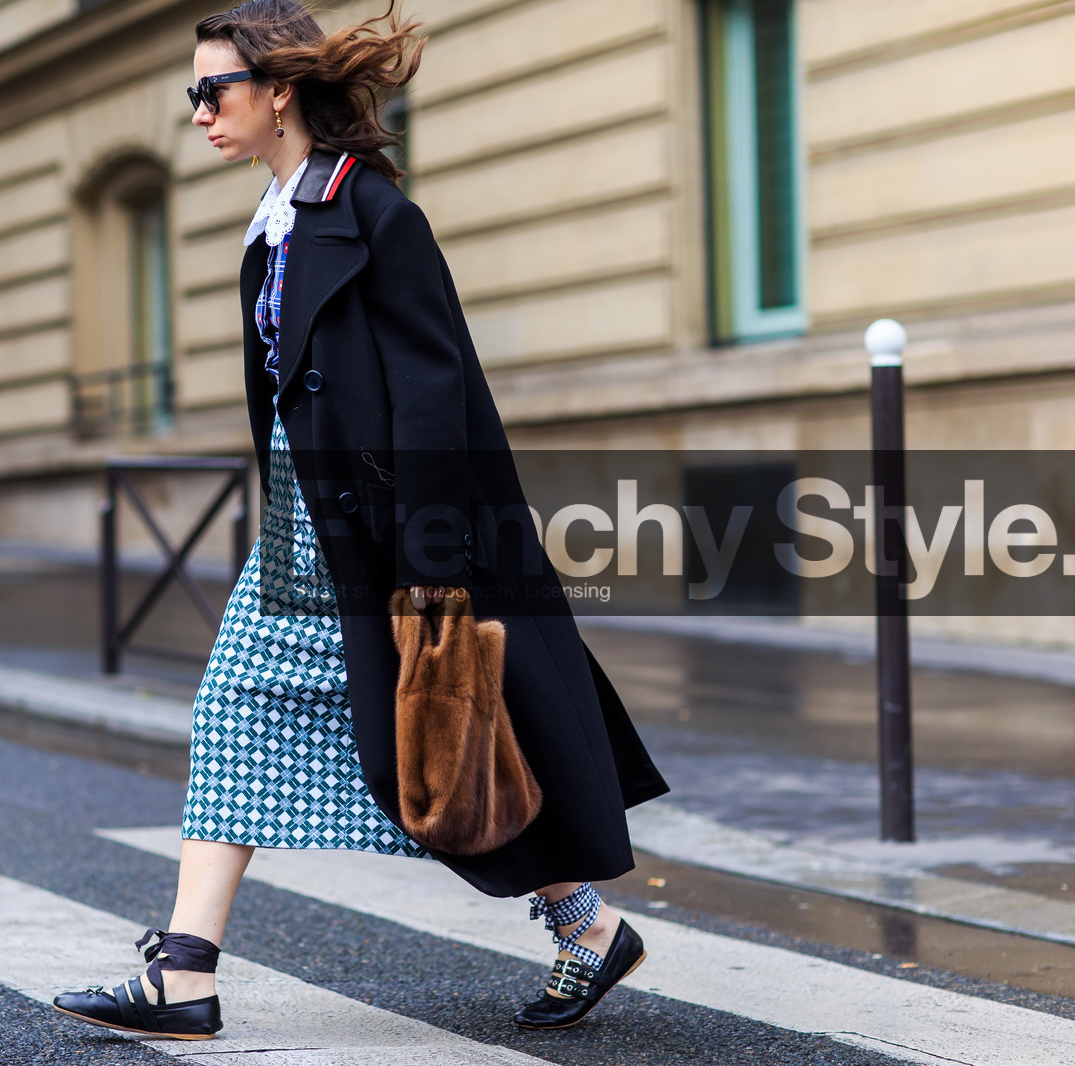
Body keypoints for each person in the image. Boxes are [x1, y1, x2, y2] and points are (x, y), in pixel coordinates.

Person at [53, 0, 669, 1041]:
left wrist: (428, 557)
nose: (199, 113)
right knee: (320, 720)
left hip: (384, 531)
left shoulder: (376, 216)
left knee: (429, 731)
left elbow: (438, 394)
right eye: (193, 94)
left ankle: (193, 970)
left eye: (215, 91)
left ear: (279, 92)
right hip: (313, 523)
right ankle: (191, 969)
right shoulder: (279, 224)